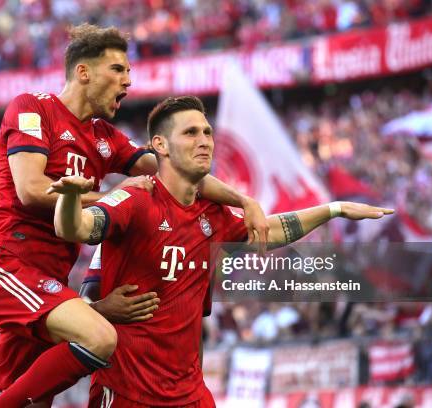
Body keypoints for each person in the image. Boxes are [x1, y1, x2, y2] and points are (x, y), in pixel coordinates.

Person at [0, 25, 269, 407]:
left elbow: (172, 170)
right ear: (84, 73)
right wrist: (111, 196)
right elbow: (30, 189)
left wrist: (244, 201)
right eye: (118, 70)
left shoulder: (104, 136)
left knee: (37, 400)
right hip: (9, 264)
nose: (128, 80)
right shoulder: (33, 107)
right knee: (100, 338)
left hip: (51, 281)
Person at [50, 95, 395, 407]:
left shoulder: (212, 214)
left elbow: (270, 230)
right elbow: (75, 227)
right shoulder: (136, 199)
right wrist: (67, 198)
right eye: (190, 133)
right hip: (128, 392)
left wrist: (331, 209)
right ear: (161, 145)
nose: (204, 141)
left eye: (207, 132)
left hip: (191, 395)